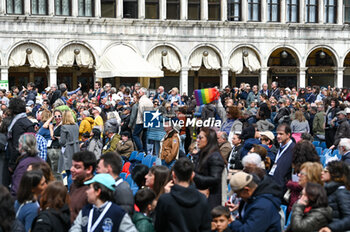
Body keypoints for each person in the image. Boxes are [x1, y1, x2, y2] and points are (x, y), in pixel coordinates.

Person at [155, 158, 211, 231]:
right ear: (192, 175)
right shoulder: (202, 199)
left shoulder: (165, 200)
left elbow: (159, 227)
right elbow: (206, 228)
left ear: (173, 174)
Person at [70, 173, 137, 232]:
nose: (86, 191)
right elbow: (75, 229)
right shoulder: (85, 211)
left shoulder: (118, 213)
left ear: (98, 191)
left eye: (90, 188)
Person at [193, 127, 226, 209]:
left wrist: (193, 176)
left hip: (211, 199)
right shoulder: (200, 154)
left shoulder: (215, 156)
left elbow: (215, 179)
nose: (197, 140)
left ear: (209, 140)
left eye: (200, 138)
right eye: (197, 137)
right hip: (199, 195)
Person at [6, 98, 35, 178]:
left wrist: (12, 165)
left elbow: (17, 146)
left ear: (13, 109)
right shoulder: (27, 122)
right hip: (29, 160)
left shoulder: (18, 124)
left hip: (20, 162)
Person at [320, 161, 350, 232]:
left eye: (326, 171)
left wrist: (331, 228)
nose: (322, 173)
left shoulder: (342, 192)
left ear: (334, 174)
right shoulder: (329, 190)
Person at [69, 151, 96, 223]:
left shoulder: (93, 190)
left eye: (77, 167)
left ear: (89, 169)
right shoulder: (73, 185)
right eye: (72, 166)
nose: (71, 169)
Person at [269, 124, 295, 190]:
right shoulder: (280, 147)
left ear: (288, 135)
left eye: (281, 134)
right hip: (275, 184)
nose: (278, 136)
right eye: (277, 134)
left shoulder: (294, 149)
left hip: (284, 187)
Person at [44, 109, 63, 180]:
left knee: (56, 172)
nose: (57, 118)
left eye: (59, 116)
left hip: (56, 149)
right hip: (50, 149)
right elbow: (44, 126)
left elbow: (52, 136)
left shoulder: (63, 126)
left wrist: (51, 129)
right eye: (55, 116)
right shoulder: (54, 125)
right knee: (50, 171)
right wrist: (51, 117)